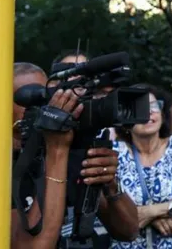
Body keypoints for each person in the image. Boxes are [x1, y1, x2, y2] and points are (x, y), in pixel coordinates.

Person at [10, 62, 140, 248]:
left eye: (47, 97)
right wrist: (56, 151)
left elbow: (129, 231)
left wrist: (110, 183)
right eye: (30, 99)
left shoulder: (69, 154)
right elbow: (32, 246)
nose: (44, 107)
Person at [110, 86, 172, 249]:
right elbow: (105, 211)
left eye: (153, 106)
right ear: (125, 119)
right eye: (140, 109)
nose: (148, 113)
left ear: (163, 114)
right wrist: (155, 217)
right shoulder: (115, 153)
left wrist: (151, 212)